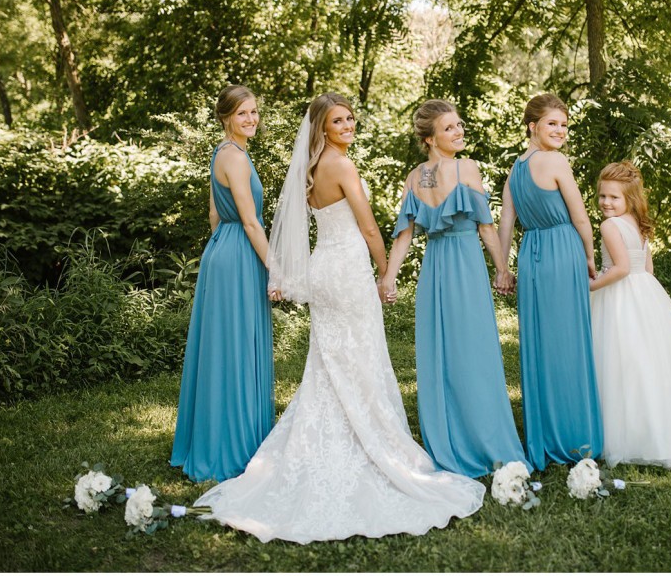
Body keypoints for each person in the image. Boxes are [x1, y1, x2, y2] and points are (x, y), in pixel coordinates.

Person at [194, 93, 484, 544]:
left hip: (324, 267)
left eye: (350, 118)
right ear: (323, 128)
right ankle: (372, 444)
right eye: (338, 120)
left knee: (330, 364)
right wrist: (387, 271)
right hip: (348, 270)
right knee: (360, 358)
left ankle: (325, 443)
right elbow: (372, 227)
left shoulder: (313, 167)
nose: (348, 125)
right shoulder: (360, 167)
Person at [381, 99, 531, 479]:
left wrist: (390, 276)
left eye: (459, 125)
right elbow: (484, 226)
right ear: (430, 139)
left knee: (443, 352)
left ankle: (449, 439)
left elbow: (405, 237)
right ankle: (485, 438)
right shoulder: (467, 168)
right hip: (463, 265)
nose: (459, 131)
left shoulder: (416, 177)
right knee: (474, 350)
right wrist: (501, 269)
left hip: (435, 269)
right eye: (449, 128)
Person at [170, 85, 274, 483]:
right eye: (243, 113)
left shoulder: (224, 154)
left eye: (254, 112)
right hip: (239, 254)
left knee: (222, 347)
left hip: (222, 250)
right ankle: (234, 446)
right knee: (235, 346)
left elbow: (215, 212)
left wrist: (220, 247)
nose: (251, 119)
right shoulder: (237, 159)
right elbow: (250, 222)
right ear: (227, 117)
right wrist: (274, 269)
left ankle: (215, 436)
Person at [497, 93, 604, 470]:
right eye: (552, 124)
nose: (560, 131)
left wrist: (502, 267)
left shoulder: (516, 167)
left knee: (540, 343)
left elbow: (506, 222)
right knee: (568, 341)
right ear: (533, 126)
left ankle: (543, 434)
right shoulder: (555, 161)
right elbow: (580, 218)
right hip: (561, 248)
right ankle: (576, 434)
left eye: (564, 125)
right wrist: (590, 256)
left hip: (532, 254)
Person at [589, 161, 671, 468]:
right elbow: (647, 269)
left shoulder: (609, 226)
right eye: (602, 196)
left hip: (619, 296)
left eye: (613, 198)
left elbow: (618, 269)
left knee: (618, 362)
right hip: (646, 295)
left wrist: (590, 285)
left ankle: (624, 434)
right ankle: (660, 430)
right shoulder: (636, 222)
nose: (606, 202)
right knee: (647, 362)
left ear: (629, 199)